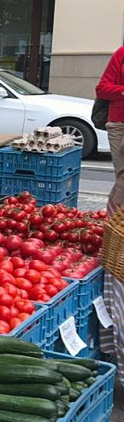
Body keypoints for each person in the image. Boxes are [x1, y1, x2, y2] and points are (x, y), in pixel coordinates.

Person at [96, 47, 124, 394]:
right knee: (123, 183)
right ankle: (113, 237)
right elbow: (103, 89)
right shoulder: (122, 54)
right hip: (122, 122)